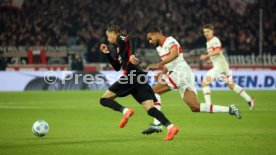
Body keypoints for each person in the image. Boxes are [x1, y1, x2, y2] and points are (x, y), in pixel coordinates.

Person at [142, 26, 241, 135]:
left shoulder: (170, 40)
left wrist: (158, 65)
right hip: (181, 74)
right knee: (195, 107)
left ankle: (157, 124)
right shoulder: (159, 48)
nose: (150, 41)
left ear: (156, 34)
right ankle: (230, 109)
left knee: (153, 92)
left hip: (181, 72)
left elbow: (174, 54)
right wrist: (162, 72)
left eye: (150, 38)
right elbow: (168, 63)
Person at [99, 25, 179, 141]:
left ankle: (125, 111)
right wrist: (107, 53)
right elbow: (116, 67)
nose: (107, 39)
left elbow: (131, 37)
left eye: (108, 35)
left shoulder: (120, 38)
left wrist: (132, 54)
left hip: (131, 76)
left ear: (114, 33)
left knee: (103, 99)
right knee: (150, 109)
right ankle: (171, 126)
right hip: (139, 77)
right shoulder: (117, 48)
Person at [199, 24, 255, 110]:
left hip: (221, 67)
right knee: (230, 85)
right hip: (220, 66)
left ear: (212, 32)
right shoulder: (208, 42)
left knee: (205, 83)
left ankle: (209, 106)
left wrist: (206, 56)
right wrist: (210, 60)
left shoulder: (215, 40)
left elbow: (218, 51)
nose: (206, 33)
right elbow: (216, 53)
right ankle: (249, 100)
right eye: (204, 32)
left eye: (208, 31)